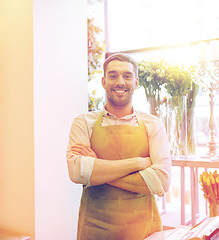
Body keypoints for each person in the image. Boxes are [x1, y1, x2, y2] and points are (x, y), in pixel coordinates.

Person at [67, 53, 171, 240]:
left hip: (144, 230)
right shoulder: (84, 122)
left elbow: (161, 180)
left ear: (136, 82)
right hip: (94, 228)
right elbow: (77, 172)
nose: (120, 82)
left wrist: (95, 168)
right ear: (104, 81)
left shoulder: (153, 124)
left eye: (127, 76)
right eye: (113, 76)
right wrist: (138, 163)